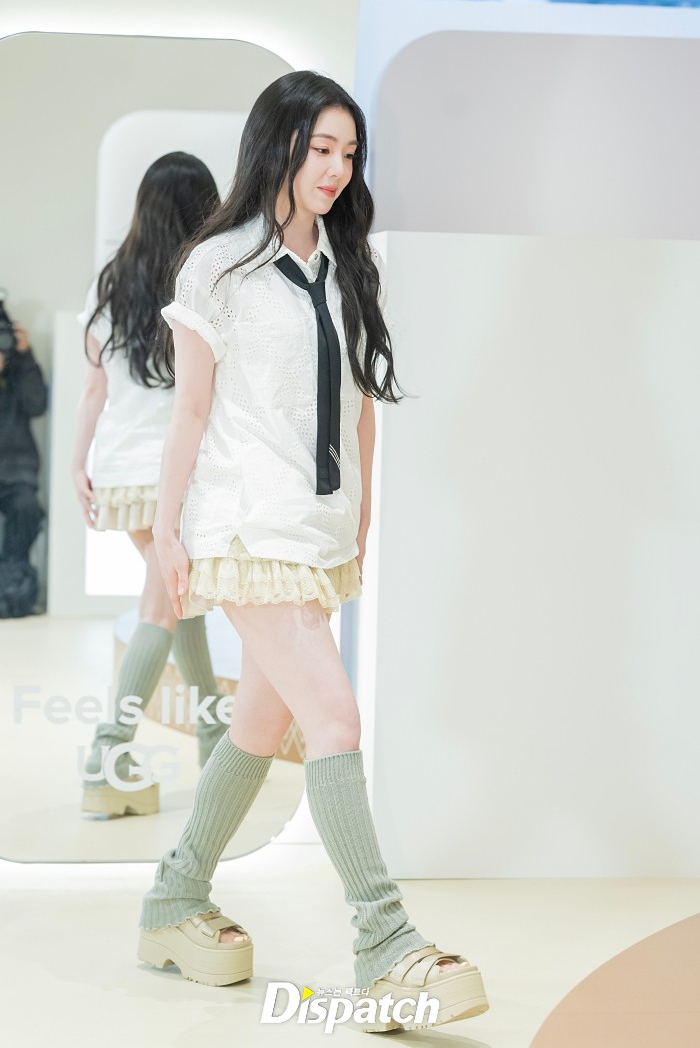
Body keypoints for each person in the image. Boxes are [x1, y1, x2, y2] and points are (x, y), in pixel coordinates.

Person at [136, 73, 489, 1031]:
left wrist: (358, 524)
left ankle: (174, 898)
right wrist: (166, 530)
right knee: (332, 715)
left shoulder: (346, 264)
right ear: (279, 145)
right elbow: (191, 411)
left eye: (349, 153)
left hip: (318, 531)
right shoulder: (218, 266)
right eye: (321, 148)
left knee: (260, 724)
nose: (336, 169)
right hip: (247, 524)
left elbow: (359, 404)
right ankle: (386, 943)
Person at [73, 152, 228, 819]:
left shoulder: (110, 283)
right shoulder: (204, 281)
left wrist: (78, 465)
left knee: (179, 598)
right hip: (175, 472)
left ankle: (215, 740)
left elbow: (94, 388)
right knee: (163, 606)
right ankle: (107, 754)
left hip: (119, 469)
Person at [0, 319, 47, 569]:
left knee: (27, 508)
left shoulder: (19, 371)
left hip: (17, 476)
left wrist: (24, 355)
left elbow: (37, 405)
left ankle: (12, 572)